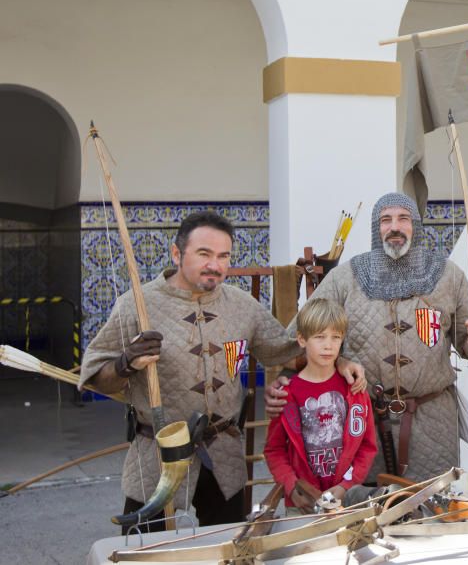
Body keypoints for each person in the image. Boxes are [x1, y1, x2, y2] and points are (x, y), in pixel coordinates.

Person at [79, 211, 366, 531]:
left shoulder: (242, 306)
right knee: (145, 548)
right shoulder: (136, 305)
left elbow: (289, 351)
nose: (215, 265)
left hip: (223, 455)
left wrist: (339, 361)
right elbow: (94, 376)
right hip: (157, 458)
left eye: (223, 255)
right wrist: (124, 363)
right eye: (204, 254)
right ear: (176, 253)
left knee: (228, 545)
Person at [267, 192, 468, 482]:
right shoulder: (347, 277)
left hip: (433, 422)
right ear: (376, 230)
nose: (394, 227)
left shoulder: (448, 276)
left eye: (403, 219)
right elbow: (301, 335)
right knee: (364, 511)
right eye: (385, 220)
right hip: (363, 419)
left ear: (415, 225)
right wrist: (296, 373)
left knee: (431, 507)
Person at [264, 298, 376, 514]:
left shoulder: (354, 390)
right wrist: (291, 485)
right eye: (319, 337)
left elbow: (367, 446)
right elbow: (274, 449)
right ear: (302, 339)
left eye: (336, 337)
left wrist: (346, 486)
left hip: (346, 500)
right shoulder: (287, 393)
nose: (328, 345)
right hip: (302, 502)